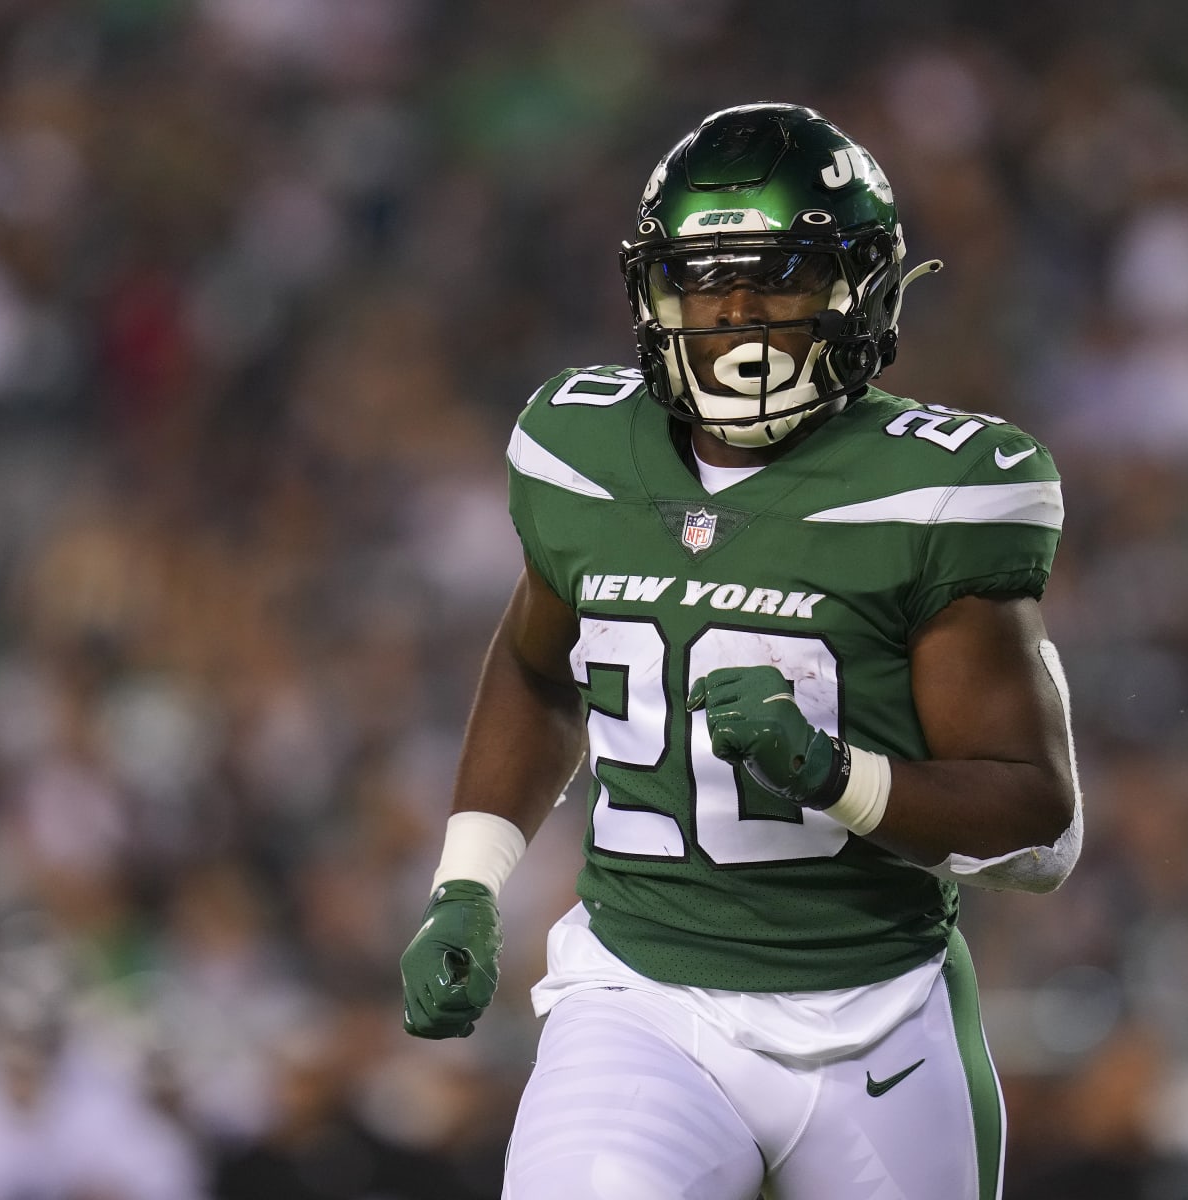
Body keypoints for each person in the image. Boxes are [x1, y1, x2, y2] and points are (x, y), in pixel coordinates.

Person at [398, 101, 1082, 1200]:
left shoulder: (940, 485)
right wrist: (467, 884)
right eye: (706, 281)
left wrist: (833, 775)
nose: (740, 315)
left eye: (782, 278)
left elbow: (1030, 803)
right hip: (642, 998)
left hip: (877, 1014)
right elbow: (537, 667)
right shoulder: (580, 450)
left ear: (860, 290)